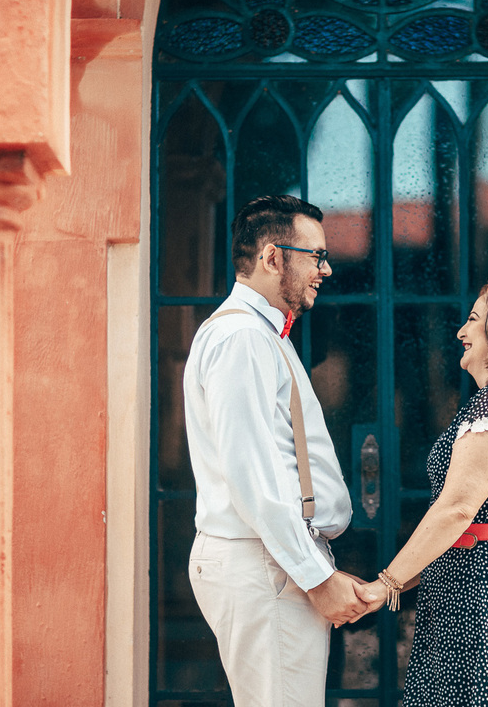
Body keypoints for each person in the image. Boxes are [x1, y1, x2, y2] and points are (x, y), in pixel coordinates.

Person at [184, 194, 374, 707]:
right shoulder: (242, 339)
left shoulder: (262, 336)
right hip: (264, 565)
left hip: (272, 563)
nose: (326, 269)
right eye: (316, 255)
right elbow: (255, 478)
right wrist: (317, 579)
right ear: (273, 257)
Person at [355, 282, 488, 706]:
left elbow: (457, 510)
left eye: (473, 319)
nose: (460, 331)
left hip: (486, 593)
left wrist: (385, 585)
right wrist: (391, 586)